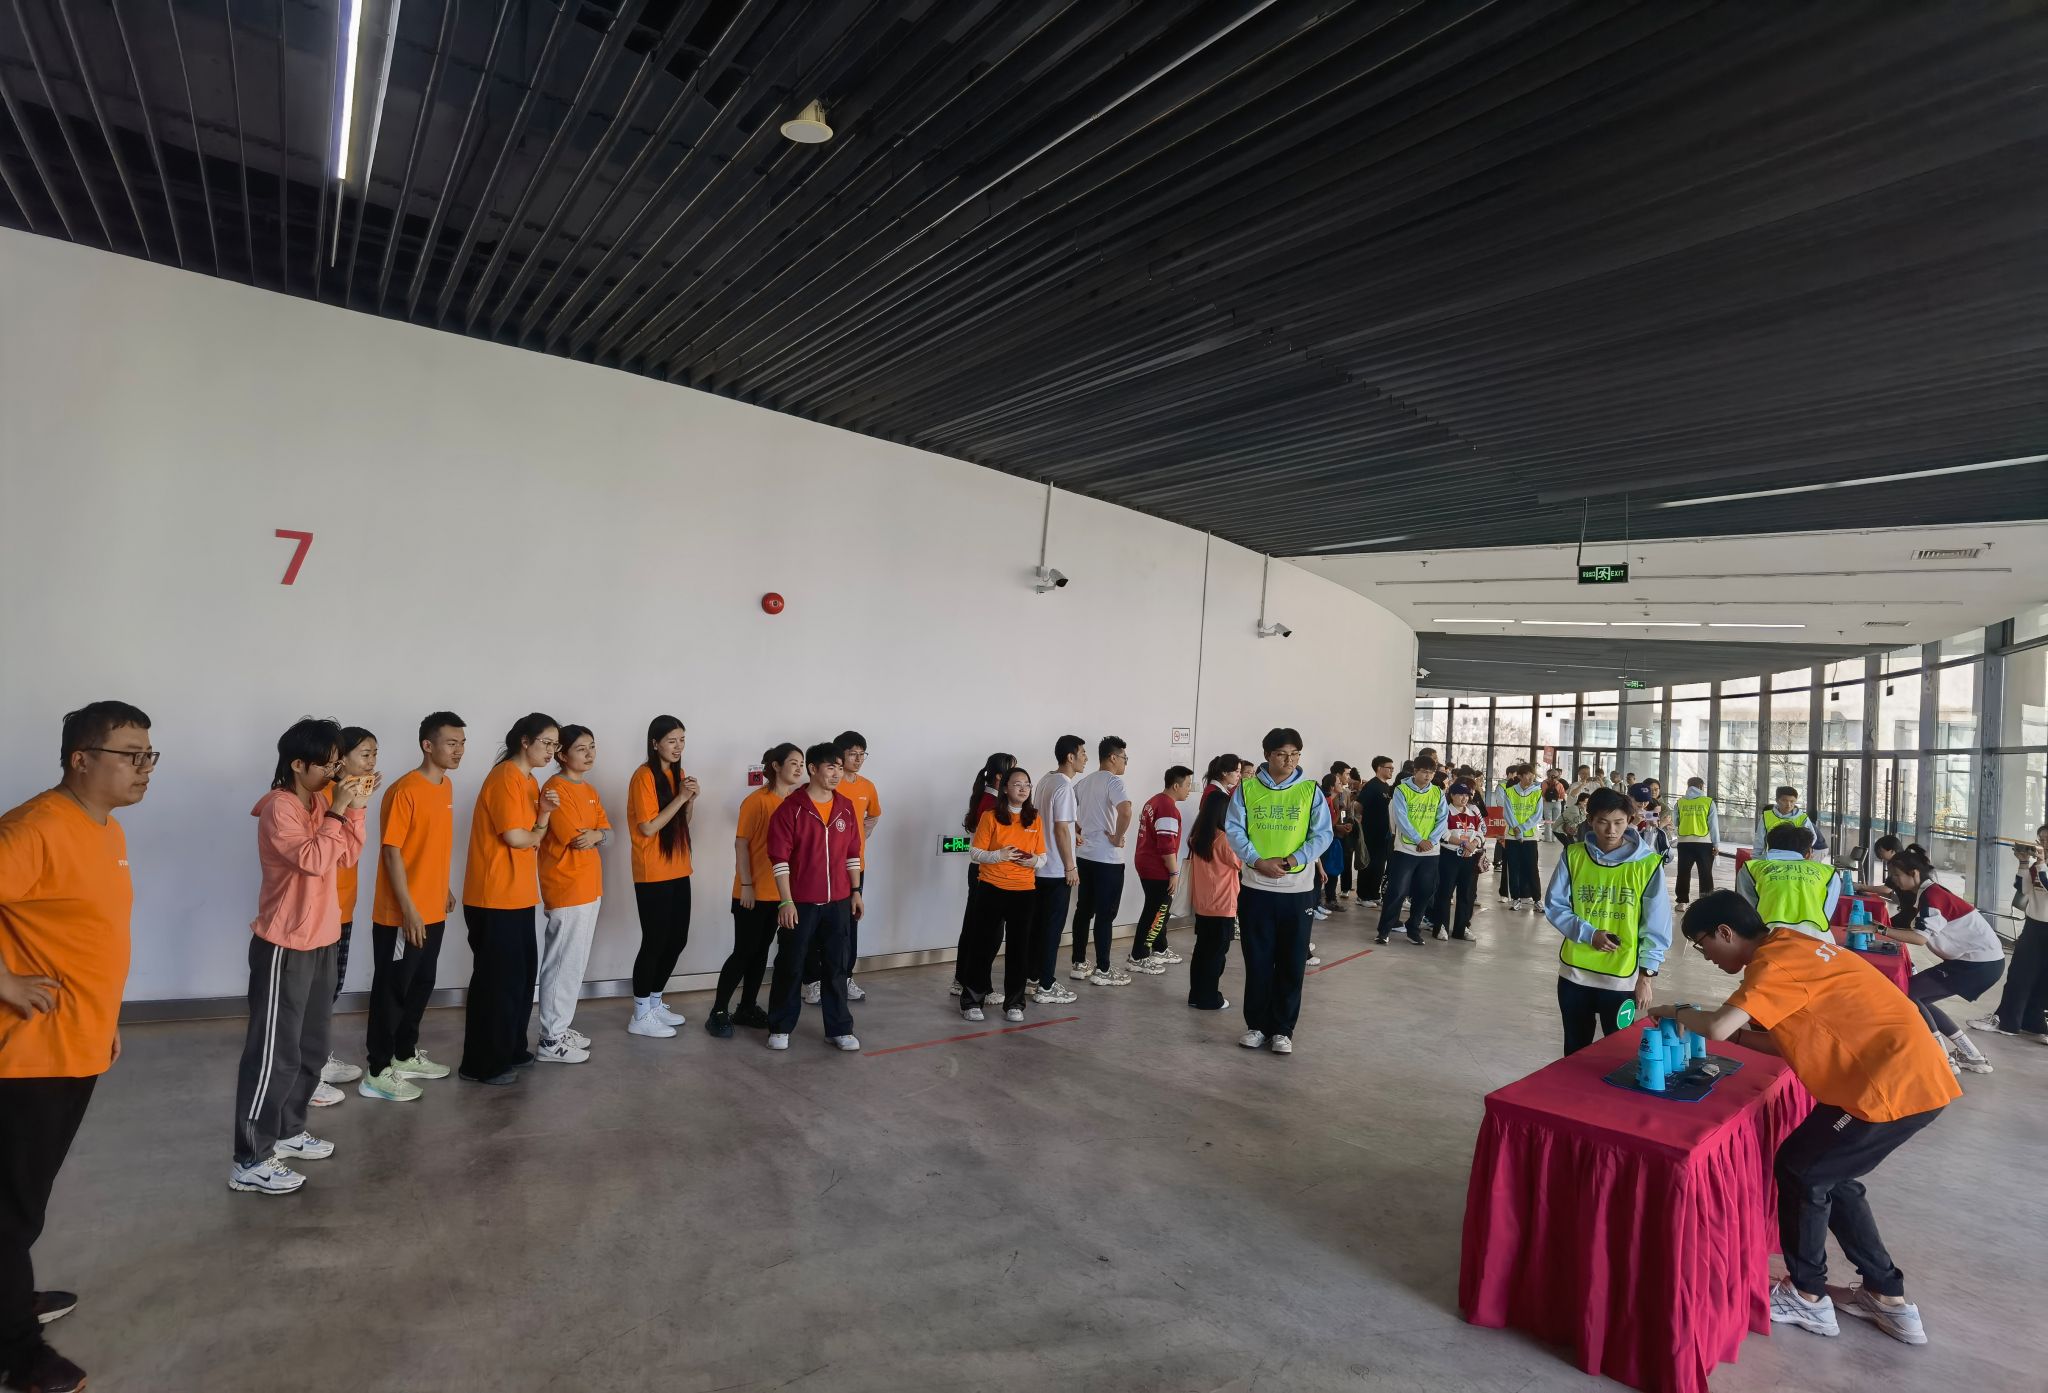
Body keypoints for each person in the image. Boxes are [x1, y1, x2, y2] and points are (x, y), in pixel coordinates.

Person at [1655, 891, 1956, 1347]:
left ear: (1725, 932)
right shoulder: (1791, 945)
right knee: (1832, 1174)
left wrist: (1674, 1011)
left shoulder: (1773, 965)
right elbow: (1782, 1041)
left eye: (1703, 945)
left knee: (1802, 1169)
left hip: (1888, 1084)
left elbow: (1717, 1026)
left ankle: (1807, 1296)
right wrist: (1728, 1032)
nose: (1707, 957)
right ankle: (1887, 1296)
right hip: (1899, 1073)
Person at [0, 701, 152, 1393]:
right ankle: (18, 1353)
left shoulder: (105, 827)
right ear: (80, 759)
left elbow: (87, 938)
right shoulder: (35, 828)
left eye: (149, 755)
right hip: (29, 1053)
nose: (144, 767)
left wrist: (105, 1015)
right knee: (10, 1207)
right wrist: (5, 981)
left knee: (26, 1198)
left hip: (78, 1040)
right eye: (129, 754)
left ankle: (8, 1289)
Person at [229, 718, 370, 1195]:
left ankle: (288, 1132)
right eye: (327, 763)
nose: (334, 771)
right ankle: (250, 1159)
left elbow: (346, 857)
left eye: (337, 762)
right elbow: (312, 859)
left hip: (322, 940)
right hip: (283, 946)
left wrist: (355, 808)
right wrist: (339, 810)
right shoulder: (279, 808)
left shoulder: (323, 803)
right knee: (274, 1055)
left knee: (311, 1049)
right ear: (296, 764)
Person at [359, 712, 463, 1103]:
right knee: (392, 991)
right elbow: (392, 852)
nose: (458, 750)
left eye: (462, 743)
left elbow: (428, 846)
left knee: (422, 984)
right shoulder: (404, 790)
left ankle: (403, 1055)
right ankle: (376, 1071)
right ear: (427, 745)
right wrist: (408, 910)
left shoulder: (446, 786)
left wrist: (443, 887)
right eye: (451, 743)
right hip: (403, 915)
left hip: (432, 908)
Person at [458, 714, 561, 1086]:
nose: (551, 751)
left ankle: (511, 1049)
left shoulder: (529, 781)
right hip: (493, 896)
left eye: (555, 745)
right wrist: (539, 828)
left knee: (520, 978)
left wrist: (542, 816)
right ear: (524, 741)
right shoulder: (505, 777)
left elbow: (532, 834)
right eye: (546, 743)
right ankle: (481, 1064)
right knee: (496, 983)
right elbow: (517, 838)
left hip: (517, 895)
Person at [1224, 728, 1331, 1055]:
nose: (1289, 760)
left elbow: (1322, 835)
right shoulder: (1247, 789)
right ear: (1267, 755)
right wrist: (1258, 861)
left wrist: (1291, 860)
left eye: (1295, 754)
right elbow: (1234, 830)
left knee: (1292, 962)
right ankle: (1256, 1026)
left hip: (1297, 890)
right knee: (1258, 960)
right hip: (1256, 888)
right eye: (1282, 754)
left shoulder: (1310, 791)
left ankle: (1283, 1029)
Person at [1543, 788, 1669, 1054]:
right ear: (1590, 820)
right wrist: (1589, 934)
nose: (1611, 830)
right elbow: (1555, 905)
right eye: (1603, 822)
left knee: (1619, 1054)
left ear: (1630, 820)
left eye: (1619, 822)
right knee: (1575, 1051)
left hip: (1621, 979)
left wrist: (1646, 976)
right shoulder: (1573, 855)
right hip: (1575, 975)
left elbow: (1656, 924)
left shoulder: (1648, 864)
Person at [764, 743, 863, 1052]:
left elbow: (852, 854)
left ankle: (839, 1029)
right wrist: (786, 901)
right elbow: (779, 859)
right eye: (831, 767)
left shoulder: (845, 807)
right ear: (813, 769)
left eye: (840, 768)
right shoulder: (791, 809)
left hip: (839, 902)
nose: (837, 774)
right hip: (801, 903)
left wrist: (856, 892)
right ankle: (780, 1027)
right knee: (791, 965)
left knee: (837, 967)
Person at [706, 744, 804, 1038]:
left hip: (779, 894)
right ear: (776, 766)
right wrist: (746, 885)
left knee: (761, 953)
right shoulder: (756, 801)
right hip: (751, 893)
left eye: (802, 763)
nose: (799, 768)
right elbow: (741, 844)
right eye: (794, 763)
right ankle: (718, 1011)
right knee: (744, 952)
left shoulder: (797, 802)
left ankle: (746, 1007)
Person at [1881, 846, 2005, 1074]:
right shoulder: (1929, 893)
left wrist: (1880, 930)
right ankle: (1972, 1056)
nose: (1894, 880)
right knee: (1918, 997)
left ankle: (1941, 1058)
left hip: (1977, 964)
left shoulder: (1932, 896)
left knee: (1908, 993)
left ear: (1914, 873)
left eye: (1897, 875)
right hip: (1980, 962)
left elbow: (1919, 939)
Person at [535, 726, 609, 1065]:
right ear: (562, 754)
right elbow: (577, 838)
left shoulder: (589, 790)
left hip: (589, 886)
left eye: (592, 747)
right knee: (562, 963)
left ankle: (560, 1028)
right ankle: (550, 1039)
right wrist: (595, 834)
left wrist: (597, 834)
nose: (590, 753)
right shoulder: (555, 789)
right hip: (567, 887)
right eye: (581, 748)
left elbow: (606, 832)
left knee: (574, 963)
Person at [315, 725, 378, 1106]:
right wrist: (349, 805)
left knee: (331, 989)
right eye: (364, 754)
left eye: (374, 754)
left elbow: (351, 855)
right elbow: (331, 857)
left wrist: (359, 805)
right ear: (341, 760)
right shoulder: (325, 798)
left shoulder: (353, 797)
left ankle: (318, 1059)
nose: (372, 761)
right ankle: (308, 1071)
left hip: (343, 908)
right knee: (315, 994)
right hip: (320, 913)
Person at [626, 716, 697, 1036]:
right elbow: (648, 827)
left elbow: (681, 822)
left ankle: (654, 1003)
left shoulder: (677, 774)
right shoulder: (643, 776)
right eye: (671, 740)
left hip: (679, 868)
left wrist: (689, 800)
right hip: (652, 871)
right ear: (655, 743)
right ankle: (640, 1014)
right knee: (655, 940)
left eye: (682, 740)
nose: (678, 746)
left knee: (677, 939)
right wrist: (681, 797)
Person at [961, 767, 1046, 1022]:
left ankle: (1014, 1004)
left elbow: (1043, 857)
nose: (1023, 788)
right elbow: (975, 853)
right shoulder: (991, 816)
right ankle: (972, 1001)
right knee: (982, 946)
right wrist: (1000, 855)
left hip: (1024, 891)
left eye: (1027, 784)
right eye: (1017, 784)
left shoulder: (1035, 819)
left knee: (1019, 949)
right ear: (1006, 788)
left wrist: (1032, 861)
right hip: (992, 888)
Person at [1973, 826, 2048, 1042]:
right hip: (2034, 927)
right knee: (2020, 975)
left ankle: (2033, 1021)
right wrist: (2023, 863)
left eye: (2047, 840)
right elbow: (2022, 889)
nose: (2043, 844)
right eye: (2041, 839)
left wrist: (2041, 864)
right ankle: (2007, 1021)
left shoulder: (2042, 866)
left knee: (2044, 980)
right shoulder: (2038, 866)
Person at [1070, 738, 1133, 987]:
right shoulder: (1113, 781)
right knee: (1105, 915)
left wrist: (1079, 830)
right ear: (1113, 757)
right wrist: (1117, 837)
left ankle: (1078, 963)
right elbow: (1126, 811)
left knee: (1084, 910)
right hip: (1107, 858)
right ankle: (1103, 969)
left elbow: (1069, 812)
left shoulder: (1083, 783)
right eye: (1125, 758)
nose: (1125, 763)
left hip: (1085, 856)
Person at [1028, 736, 1087, 1007]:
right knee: (1051, 930)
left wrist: (1073, 833)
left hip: (1040, 868)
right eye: (1082, 753)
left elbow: (1054, 823)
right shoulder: (1064, 786)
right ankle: (1047, 985)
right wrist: (1070, 866)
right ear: (1070, 757)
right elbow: (1060, 828)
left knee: (1038, 927)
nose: (1085, 758)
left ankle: (1032, 977)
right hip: (1055, 870)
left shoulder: (1046, 780)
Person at [951, 753, 1015, 996]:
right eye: (1012, 772)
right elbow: (992, 845)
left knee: (975, 928)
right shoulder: (991, 804)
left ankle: (963, 980)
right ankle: (978, 987)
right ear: (1000, 777)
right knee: (987, 932)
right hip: (987, 873)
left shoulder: (987, 798)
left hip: (982, 871)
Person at [1185, 755, 1242, 1011]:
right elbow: (1241, 863)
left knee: (1202, 950)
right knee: (1217, 954)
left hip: (1204, 903)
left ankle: (1196, 994)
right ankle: (1209, 997)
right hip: (1222, 903)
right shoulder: (1224, 840)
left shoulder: (1199, 836)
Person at [828, 731, 882, 1002]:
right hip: (826, 865)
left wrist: (858, 837)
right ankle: (815, 980)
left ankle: (846, 977)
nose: (858, 759)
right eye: (853, 754)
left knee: (851, 920)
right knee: (823, 922)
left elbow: (873, 815)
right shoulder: (830, 784)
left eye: (862, 754)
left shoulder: (867, 786)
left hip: (855, 865)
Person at [1375, 753, 1446, 946]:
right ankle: (1384, 930)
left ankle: (1413, 929)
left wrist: (1431, 840)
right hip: (1406, 849)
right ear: (1415, 771)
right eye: (1424, 772)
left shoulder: (1438, 792)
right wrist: (1418, 840)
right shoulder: (1401, 790)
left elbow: (1442, 819)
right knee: (1397, 891)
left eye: (1431, 772)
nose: (1428, 776)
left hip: (1430, 851)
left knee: (1425, 892)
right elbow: (1401, 819)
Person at [1131, 766, 1194, 973]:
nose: (1189, 789)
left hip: (1146, 862)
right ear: (1176, 785)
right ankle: (1138, 956)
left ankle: (1159, 948)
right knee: (1156, 912)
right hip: (1157, 867)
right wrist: (1174, 873)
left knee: (1159, 909)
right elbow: (1166, 846)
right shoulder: (1167, 808)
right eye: (1187, 785)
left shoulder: (1155, 801)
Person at [1737, 823, 1839, 940]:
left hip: (1768, 939)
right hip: (1818, 940)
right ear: (1808, 854)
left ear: (1769, 847)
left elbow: (1747, 911)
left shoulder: (1751, 868)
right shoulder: (1829, 873)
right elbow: (1826, 913)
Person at [1429, 782, 1487, 942]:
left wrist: (1473, 844)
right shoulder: (1445, 811)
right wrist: (1463, 843)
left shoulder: (1472, 813)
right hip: (1449, 855)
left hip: (1469, 857)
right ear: (1452, 795)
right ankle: (1440, 926)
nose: (1464, 798)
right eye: (1460, 794)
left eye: (1467, 795)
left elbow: (1481, 832)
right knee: (1444, 892)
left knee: (1466, 894)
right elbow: (1443, 835)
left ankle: (1462, 928)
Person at [1500, 763, 1543, 910]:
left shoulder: (1537, 793)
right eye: (1528, 776)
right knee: (1513, 868)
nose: (1531, 779)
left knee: (1532, 868)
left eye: (1533, 776)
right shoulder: (1510, 792)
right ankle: (1515, 899)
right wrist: (1517, 830)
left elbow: (1537, 815)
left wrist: (1522, 829)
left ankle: (1537, 899)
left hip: (1530, 837)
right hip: (1512, 837)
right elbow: (1507, 813)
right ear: (1519, 776)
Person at [1673, 776, 1720, 904]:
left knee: (1683, 873)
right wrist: (1716, 844)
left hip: (1684, 843)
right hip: (1704, 843)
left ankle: (1681, 902)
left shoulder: (1680, 802)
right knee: (1705, 874)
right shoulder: (1708, 802)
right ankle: (1706, 902)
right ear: (1701, 786)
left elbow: (1676, 822)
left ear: (1688, 786)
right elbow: (1713, 825)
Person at [1355, 756, 1395, 907]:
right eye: (1389, 768)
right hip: (1370, 831)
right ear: (1379, 768)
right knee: (1368, 863)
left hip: (1384, 833)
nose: (1391, 770)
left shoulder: (1386, 787)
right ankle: (1362, 896)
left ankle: (1373, 894)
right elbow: (1358, 805)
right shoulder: (1372, 786)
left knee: (1379, 865)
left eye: (1392, 768)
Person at [1759, 785, 1829, 858]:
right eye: (1784, 801)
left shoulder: (1802, 817)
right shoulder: (1766, 816)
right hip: (1773, 856)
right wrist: (1756, 857)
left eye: (1792, 801)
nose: (1789, 804)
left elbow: (1812, 837)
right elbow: (1759, 841)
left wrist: (1802, 852)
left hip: (1802, 855)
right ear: (1777, 800)